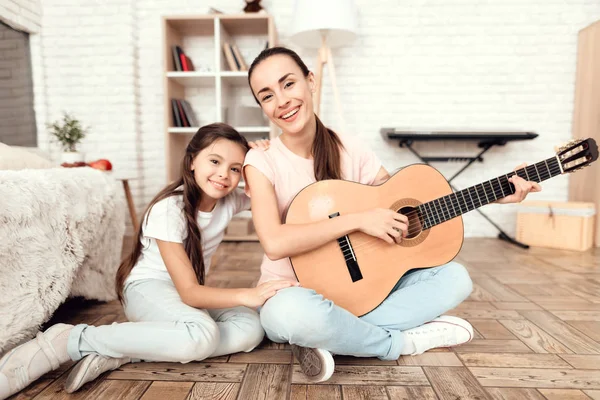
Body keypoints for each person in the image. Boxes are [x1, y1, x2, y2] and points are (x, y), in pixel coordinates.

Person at [243, 47, 542, 382]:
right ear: (262, 107)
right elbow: (274, 242)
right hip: (290, 291)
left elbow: (400, 202)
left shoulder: (348, 146)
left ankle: (331, 335)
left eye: (288, 84)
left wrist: (493, 196)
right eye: (267, 95)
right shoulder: (260, 161)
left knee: (456, 278)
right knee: (291, 316)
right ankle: (399, 342)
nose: (282, 100)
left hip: (364, 289)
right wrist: (358, 220)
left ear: (310, 81)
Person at [0, 123, 292, 399]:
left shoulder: (229, 201)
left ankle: (128, 349)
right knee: (201, 335)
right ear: (192, 161)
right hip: (147, 290)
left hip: (182, 295)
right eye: (214, 162)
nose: (223, 175)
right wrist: (248, 294)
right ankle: (71, 339)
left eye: (235, 168)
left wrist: (264, 159)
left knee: (251, 329)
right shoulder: (170, 209)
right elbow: (190, 292)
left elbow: (277, 194)